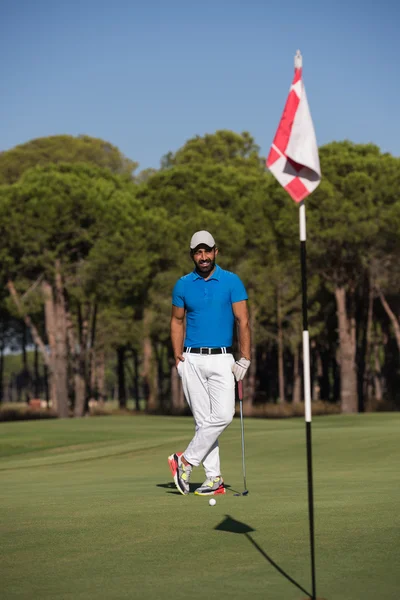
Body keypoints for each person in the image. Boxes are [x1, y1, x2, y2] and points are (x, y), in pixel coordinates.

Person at [168, 230, 251, 496]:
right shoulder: (182, 285)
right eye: (198, 252)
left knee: (224, 415)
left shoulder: (232, 281)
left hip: (223, 357)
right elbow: (177, 321)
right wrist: (177, 356)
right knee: (203, 422)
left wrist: (245, 357)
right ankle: (214, 479)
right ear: (192, 254)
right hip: (191, 358)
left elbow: (243, 321)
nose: (203, 257)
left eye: (207, 251)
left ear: (216, 251)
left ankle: (185, 461)